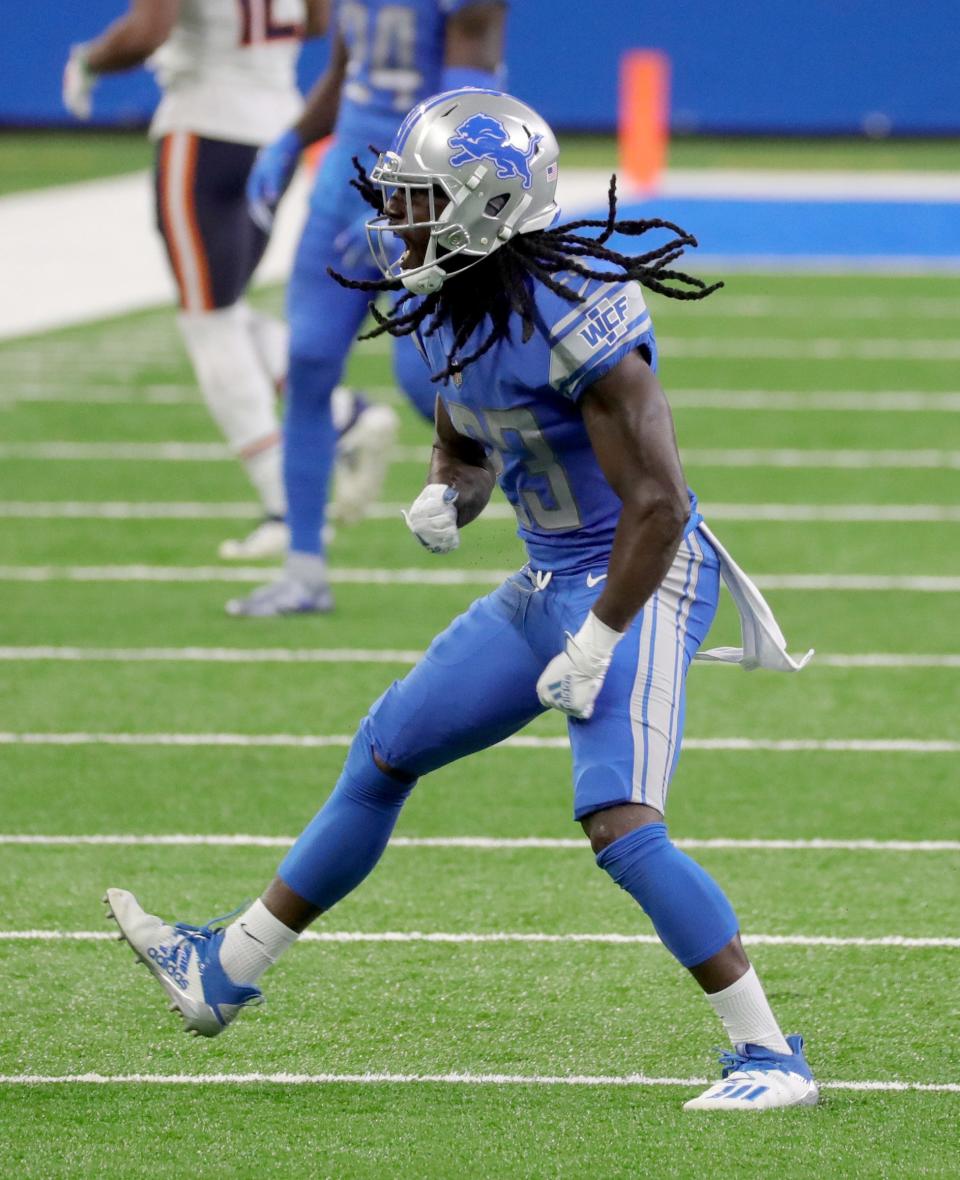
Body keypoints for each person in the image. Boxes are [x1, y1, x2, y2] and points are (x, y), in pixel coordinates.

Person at [105, 89, 819, 1112]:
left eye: (419, 199)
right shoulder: (443, 299)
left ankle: (770, 1055)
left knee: (620, 822)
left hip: (640, 573)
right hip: (548, 575)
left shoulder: (575, 312)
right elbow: (466, 440)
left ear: (483, 210)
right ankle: (226, 967)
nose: (395, 219)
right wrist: (449, 490)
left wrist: (601, 636)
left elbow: (658, 505)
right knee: (387, 746)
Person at [225, 0, 508, 616]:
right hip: (341, 185)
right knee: (307, 361)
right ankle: (303, 571)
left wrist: (407, 203)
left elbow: (468, 109)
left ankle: (568, 519)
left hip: (431, 200)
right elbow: (350, 74)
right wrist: (294, 139)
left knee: (427, 380)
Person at [62, 0, 337, 559]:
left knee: (207, 321)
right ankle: (344, 415)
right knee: (225, 308)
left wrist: (90, 60)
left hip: (205, 126)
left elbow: (147, 31)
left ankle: (284, 505)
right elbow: (316, 21)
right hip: (276, 129)